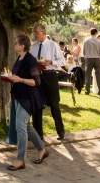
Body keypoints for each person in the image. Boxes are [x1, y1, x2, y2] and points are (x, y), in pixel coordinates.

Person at [5, 34, 48, 171]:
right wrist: (11, 78)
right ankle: (42, 149)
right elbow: (18, 76)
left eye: (16, 43)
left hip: (27, 99)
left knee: (20, 128)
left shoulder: (30, 60)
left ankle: (20, 160)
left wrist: (21, 80)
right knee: (27, 126)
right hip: (17, 96)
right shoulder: (19, 58)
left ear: (22, 46)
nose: (14, 45)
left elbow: (36, 81)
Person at [32, 23, 66, 141]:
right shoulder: (34, 47)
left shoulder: (53, 45)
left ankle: (60, 131)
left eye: (36, 32)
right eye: (33, 32)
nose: (34, 34)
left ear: (43, 32)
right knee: (36, 105)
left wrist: (50, 62)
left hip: (50, 76)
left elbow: (62, 61)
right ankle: (38, 134)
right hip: (37, 77)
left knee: (54, 105)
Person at [81, 29, 100, 96]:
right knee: (98, 75)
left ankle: (87, 90)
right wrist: (98, 55)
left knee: (88, 75)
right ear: (96, 33)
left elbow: (83, 52)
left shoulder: (85, 41)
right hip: (97, 59)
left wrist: (86, 56)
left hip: (89, 59)